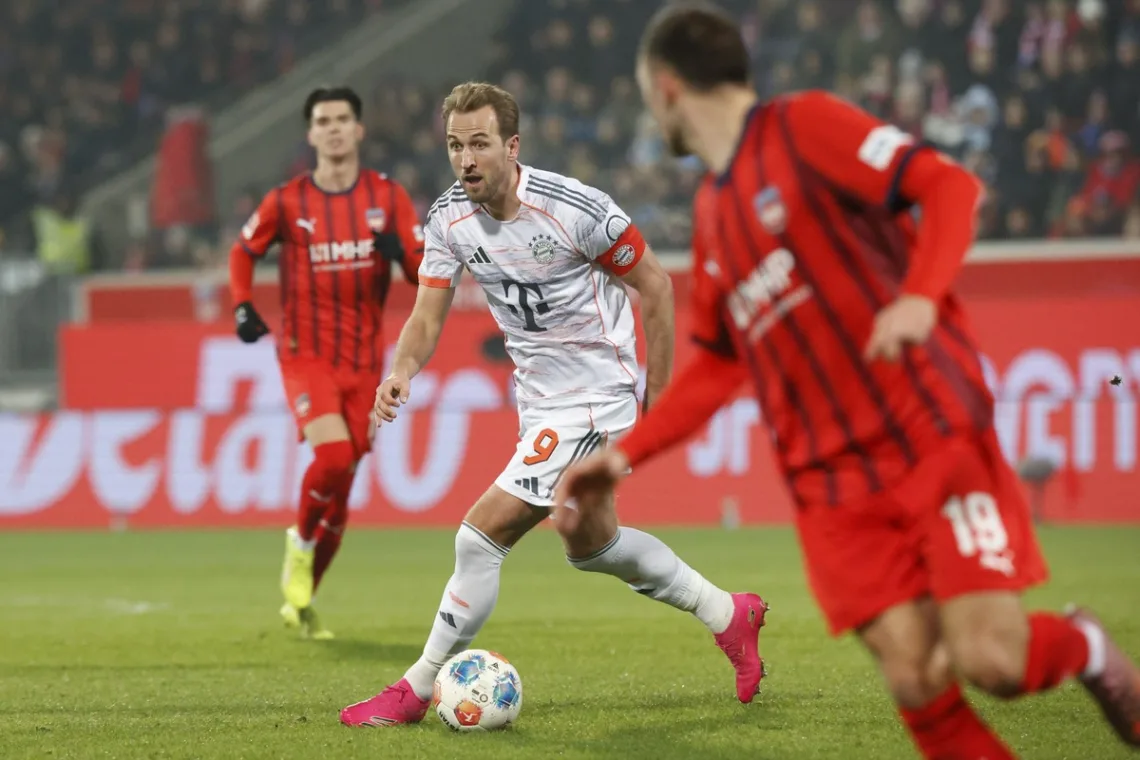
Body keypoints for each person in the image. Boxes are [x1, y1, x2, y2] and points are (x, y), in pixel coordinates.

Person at [555, 3, 1140, 757]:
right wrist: (622, 456)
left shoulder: (804, 127)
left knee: (992, 659)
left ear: (666, 86)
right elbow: (721, 364)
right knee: (915, 676)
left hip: (924, 434)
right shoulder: (713, 211)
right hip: (830, 487)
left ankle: (1084, 646)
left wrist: (920, 296)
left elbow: (948, 186)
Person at [339, 81, 767, 727]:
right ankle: (728, 613)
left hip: (597, 397)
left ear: (512, 146)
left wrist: (657, 397)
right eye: (455, 146)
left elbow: (655, 286)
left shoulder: (576, 210)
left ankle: (415, 690)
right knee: (591, 546)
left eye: (479, 144)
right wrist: (400, 370)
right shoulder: (449, 219)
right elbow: (426, 315)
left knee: (481, 536)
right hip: (540, 402)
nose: (465, 160)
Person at [228, 86, 425, 640]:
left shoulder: (388, 197)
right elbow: (244, 251)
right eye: (323, 120)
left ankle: (303, 598)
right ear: (311, 133)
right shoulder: (287, 201)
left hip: (365, 363)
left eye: (342, 119)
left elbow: (423, 272)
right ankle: (300, 542)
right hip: (306, 354)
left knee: (341, 490)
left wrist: (402, 256)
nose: (334, 128)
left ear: (359, 130)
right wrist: (242, 304)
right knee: (334, 458)